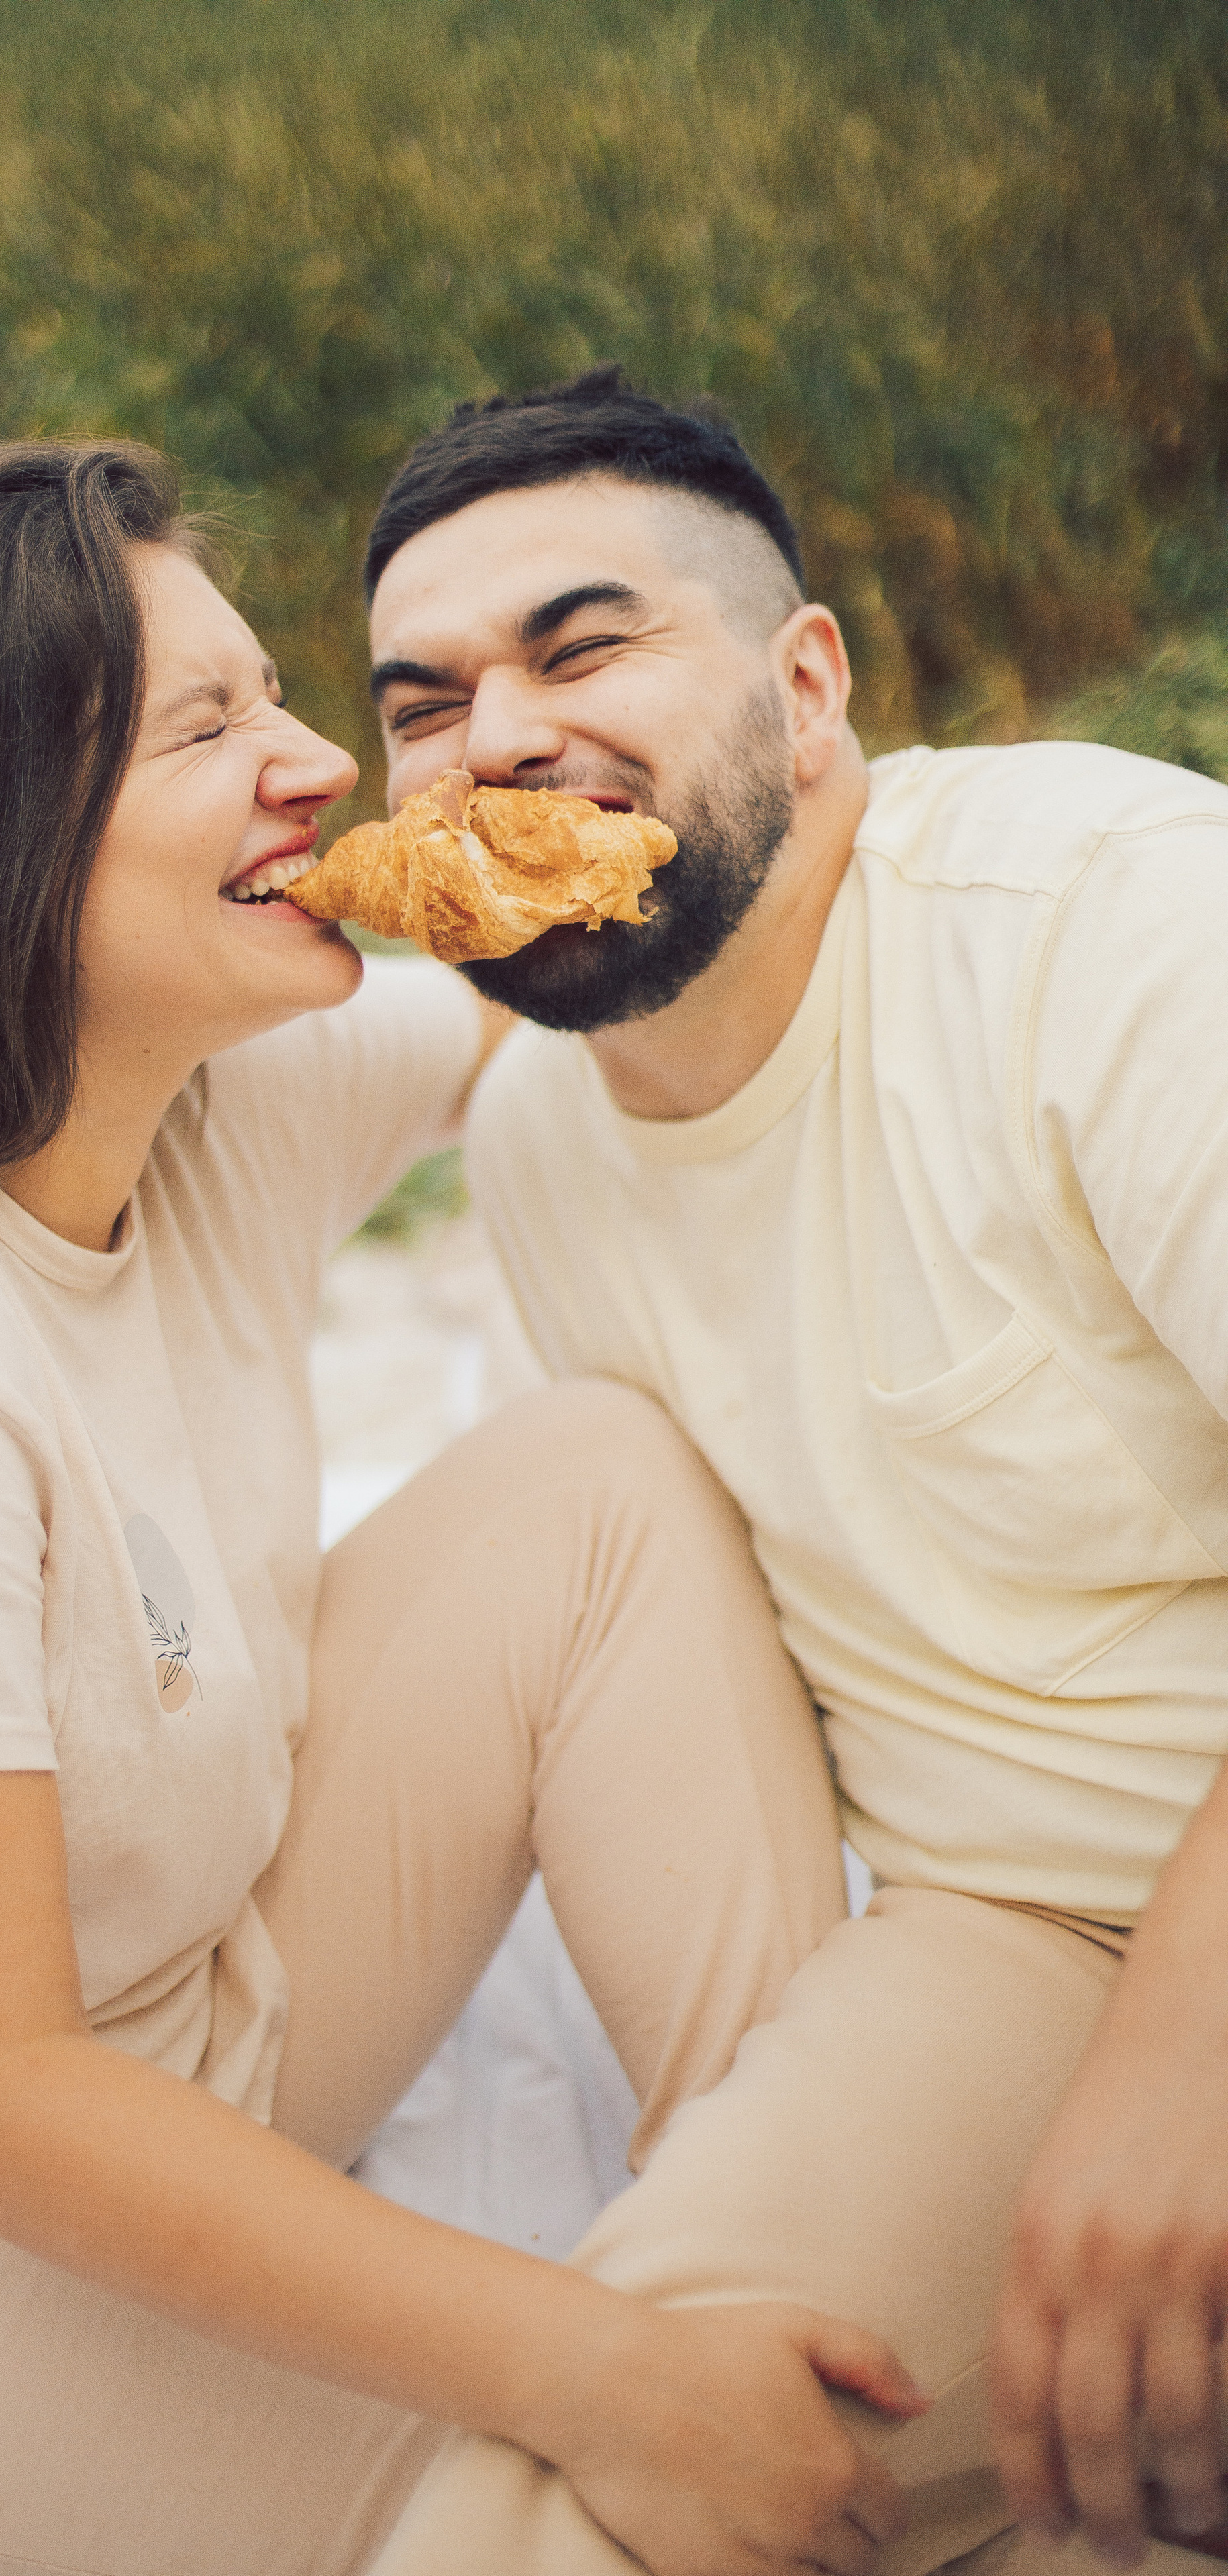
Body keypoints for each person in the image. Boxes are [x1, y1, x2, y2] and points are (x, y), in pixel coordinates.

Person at [0, 438, 927, 2576]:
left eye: (281, 697)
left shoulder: (202, 1092)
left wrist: (785, 764)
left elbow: (598, 960)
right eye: (206, 730)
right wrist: (595, 2375)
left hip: (184, 2016)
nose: (323, 769)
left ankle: (817, 2271)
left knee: (594, 1479)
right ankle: (707, 2401)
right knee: (581, 2516)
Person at [356, 364, 1228, 2576]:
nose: (496, 740)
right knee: (605, 2490)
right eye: (424, 705)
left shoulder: (1114, 920)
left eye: (581, 648)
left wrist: (1180, 2069)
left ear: (807, 687)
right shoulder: (538, 1151)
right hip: (1008, 1940)